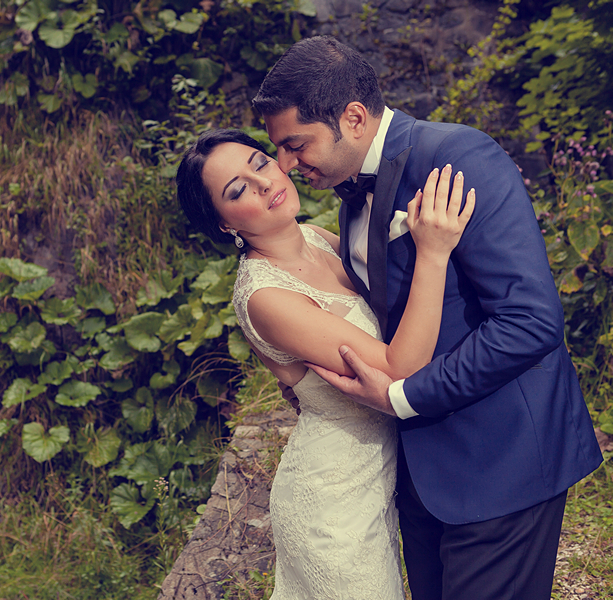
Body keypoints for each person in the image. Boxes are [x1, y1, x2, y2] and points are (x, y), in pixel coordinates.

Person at [252, 36, 603, 600]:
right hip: (420, 474)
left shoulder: (458, 158)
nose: (286, 165)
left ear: (355, 117)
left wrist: (401, 398)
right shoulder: (348, 189)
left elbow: (531, 321)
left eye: (296, 144)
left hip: (501, 461)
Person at [177, 127, 474, 599]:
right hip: (332, 504)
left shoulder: (317, 238)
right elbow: (400, 369)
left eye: (259, 163)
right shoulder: (266, 297)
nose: (263, 183)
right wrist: (433, 254)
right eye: (237, 191)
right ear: (224, 224)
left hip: (378, 483)